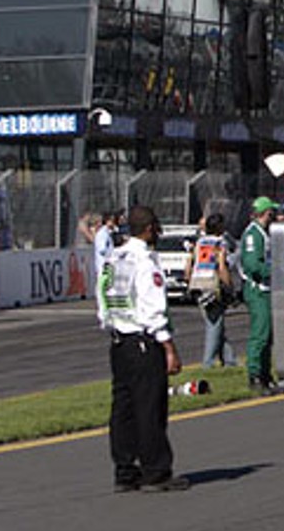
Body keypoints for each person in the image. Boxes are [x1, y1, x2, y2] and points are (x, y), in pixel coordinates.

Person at [96, 205, 189, 492]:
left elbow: (102, 295)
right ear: (149, 228)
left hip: (118, 340)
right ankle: (156, 470)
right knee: (149, 406)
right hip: (142, 341)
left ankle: (125, 470)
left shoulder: (113, 257)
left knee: (122, 408)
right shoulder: (145, 262)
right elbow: (153, 309)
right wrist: (169, 348)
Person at [238, 196, 282, 391]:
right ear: (266, 212)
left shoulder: (264, 234)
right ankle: (254, 374)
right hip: (257, 289)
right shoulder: (253, 235)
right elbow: (252, 265)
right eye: (271, 212)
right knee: (260, 333)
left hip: (267, 288)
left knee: (268, 334)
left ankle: (266, 373)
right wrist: (276, 271)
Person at [190, 212, 236, 368]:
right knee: (214, 324)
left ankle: (229, 360)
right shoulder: (220, 243)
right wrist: (229, 285)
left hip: (197, 283)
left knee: (216, 322)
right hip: (211, 283)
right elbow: (222, 266)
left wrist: (189, 280)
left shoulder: (199, 242)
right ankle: (207, 363)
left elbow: (189, 263)